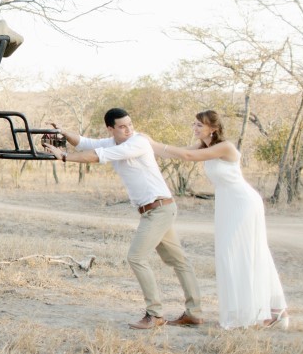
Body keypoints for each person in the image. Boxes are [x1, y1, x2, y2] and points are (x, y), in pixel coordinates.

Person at [44, 108, 204, 330]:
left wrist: (63, 156)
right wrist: (63, 132)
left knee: (136, 258)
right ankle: (194, 314)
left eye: (130, 124)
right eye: (122, 126)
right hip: (155, 209)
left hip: (159, 209)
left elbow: (96, 156)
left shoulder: (137, 142)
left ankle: (155, 314)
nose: (128, 129)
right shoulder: (112, 142)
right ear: (110, 129)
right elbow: (84, 143)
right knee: (179, 261)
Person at [152, 110, 288, 329]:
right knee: (230, 255)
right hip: (227, 204)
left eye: (200, 125)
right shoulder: (204, 146)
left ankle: (262, 312)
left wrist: (153, 143)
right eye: (194, 124)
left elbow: (187, 156)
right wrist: (147, 144)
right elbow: (178, 153)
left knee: (241, 253)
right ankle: (263, 311)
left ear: (213, 128)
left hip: (243, 203)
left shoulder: (225, 147)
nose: (195, 128)